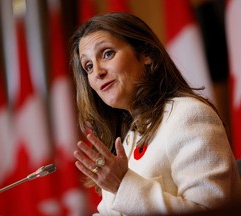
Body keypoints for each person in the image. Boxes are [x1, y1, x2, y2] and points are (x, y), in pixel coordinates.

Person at [70, 12, 241, 215]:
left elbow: (211, 211)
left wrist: (123, 185)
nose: (97, 72)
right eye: (88, 66)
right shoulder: (129, 138)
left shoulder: (188, 115)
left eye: (107, 54)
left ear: (146, 54)